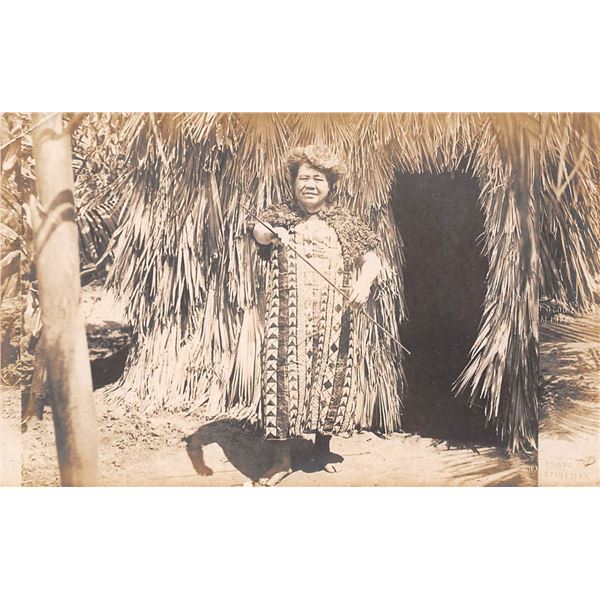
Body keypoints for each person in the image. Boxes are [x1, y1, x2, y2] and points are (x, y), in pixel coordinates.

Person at [252, 144, 381, 486]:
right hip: (287, 320)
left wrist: (364, 285)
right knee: (281, 380)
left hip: (334, 320)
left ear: (330, 185)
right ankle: (281, 460)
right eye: (304, 178)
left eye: (318, 179)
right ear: (294, 182)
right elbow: (260, 234)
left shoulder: (344, 222)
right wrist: (272, 231)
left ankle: (322, 449)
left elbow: (372, 260)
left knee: (330, 380)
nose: (310, 184)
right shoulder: (278, 214)